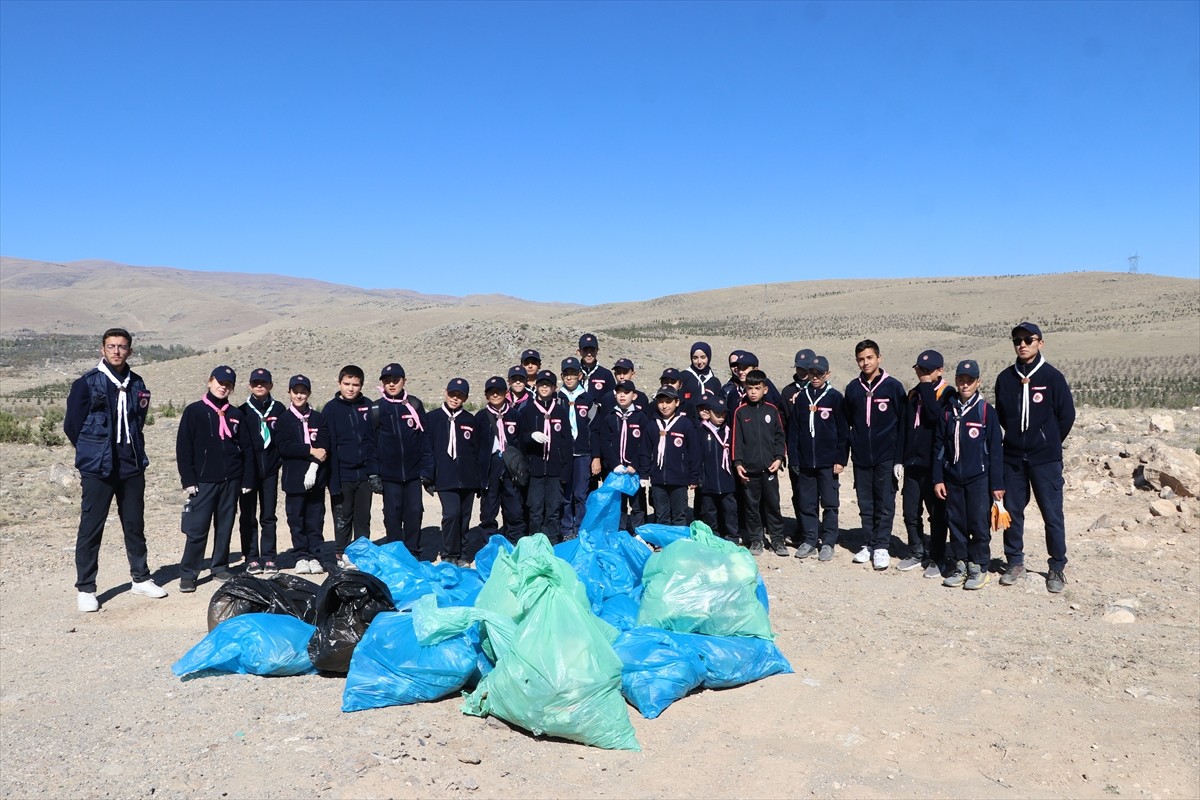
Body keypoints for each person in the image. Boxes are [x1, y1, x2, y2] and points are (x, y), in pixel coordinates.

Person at [63, 327, 164, 611]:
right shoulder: (87, 383)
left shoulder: (137, 383)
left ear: (129, 351)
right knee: (91, 527)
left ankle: (140, 578)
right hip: (98, 468)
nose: (116, 351)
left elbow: (138, 420)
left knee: (134, 524)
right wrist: (91, 451)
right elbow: (72, 425)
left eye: (122, 347)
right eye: (111, 346)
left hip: (131, 465)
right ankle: (86, 587)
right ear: (102, 350)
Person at [993, 322, 1076, 593]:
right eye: (1017, 340)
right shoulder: (1006, 378)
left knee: (1052, 513)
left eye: (1029, 339)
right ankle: (1015, 562)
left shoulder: (1052, 377)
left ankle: (1056, 567)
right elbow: (1003, 416)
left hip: (1045, 459)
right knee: (1013, 511)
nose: (1022, 344)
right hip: (1014, 457)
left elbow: (1066, 415)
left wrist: (1047, 440)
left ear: (1040, 342)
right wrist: (1018, 439)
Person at [175, 365, 255, 591]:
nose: (223, 387)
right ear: (210, 382)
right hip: (203, 480)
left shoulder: (236, 414)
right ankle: (189, 572)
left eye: (228, 384)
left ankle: (219, 565)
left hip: (231, 480)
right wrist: (188, 480)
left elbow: (246, 448)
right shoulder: (195, 411)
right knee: (197, 528)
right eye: (220, 382)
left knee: (225, 525)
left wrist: (247, 480)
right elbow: (184, 447)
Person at [934, 360, 1005, 590]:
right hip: (952, 477)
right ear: (956, 381)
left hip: (979, 479)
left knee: (978, 523)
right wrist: (938, 478)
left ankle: (979, 566)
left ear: (978, 382)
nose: (965, 385)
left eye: (970, 380)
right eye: (961, 380)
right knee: (956, 523)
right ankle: (961, 564)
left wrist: (997, 484)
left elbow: (995, 450)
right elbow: (938, 447)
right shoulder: (948, 411)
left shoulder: (986, 412)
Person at [842, 339, 907, 571]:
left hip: (886, 455)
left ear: (879, 358)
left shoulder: (893, 387)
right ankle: (869, 543)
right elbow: (847, 422)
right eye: (860, 359)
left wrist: (899, 459)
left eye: (869, 357)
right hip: (861, 457)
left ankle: (882, 546)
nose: (865, 362)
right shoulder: (853, 388)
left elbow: (903, 425)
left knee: (885, 502)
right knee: (865, 502)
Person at [898, 350, 956, 577]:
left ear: (940, 371)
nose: (922, 375)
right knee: (910, 512)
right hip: (912, 463)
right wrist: (899, 459)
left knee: (937, 514)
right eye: (919, 370)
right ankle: (915, 550)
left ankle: (937, 556)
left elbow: (934, 417)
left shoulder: (947, 393)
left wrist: (926, 388)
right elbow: (904, 427)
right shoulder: (913, 394)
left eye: (927, 371)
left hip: (934, 465)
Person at [786, 356, 847, 562]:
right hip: (805, 462)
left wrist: (841, 459)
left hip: (827, 462)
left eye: (819, 373)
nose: (814, 377)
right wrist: (794, 457)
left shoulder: (835, 398)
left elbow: (842, 432)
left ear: (827, 374)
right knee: (807, 503)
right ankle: (810, 539)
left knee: (830, 503)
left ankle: (828, 541)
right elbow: (794, 430)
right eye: (811, 373)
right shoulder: (802, 398)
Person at [324, 365, 380, 569]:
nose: (351, 388)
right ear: (339, 384)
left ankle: (362, 553)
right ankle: (341, 554)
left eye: (355, 385)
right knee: (342, 515)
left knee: (363, 517)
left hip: (364, 474)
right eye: (347, 384)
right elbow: (329, 444)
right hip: (342, 473)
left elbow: (373, 441)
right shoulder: (331, 409)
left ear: (361, 386)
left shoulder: (369, 406)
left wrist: (374, 471)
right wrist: (333, 479)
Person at [274, 374, 331, 574]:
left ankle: (315, 555)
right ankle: (301, 555)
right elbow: (284, 446)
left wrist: (314, 466)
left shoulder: (318, 418)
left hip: (316, 478)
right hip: (294, 479)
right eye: (296, 392)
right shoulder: (284, 420)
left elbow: (324, 445)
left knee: (315, 518)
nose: (299, 395)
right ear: (289, 393)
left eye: (303, 392)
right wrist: (309, 450)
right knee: (296, 519)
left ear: (308, 393)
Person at [373, 363, 432, 558]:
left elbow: (425, 439)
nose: (391, 384)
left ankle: (413, 552)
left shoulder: (414, 404)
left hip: (414, 474)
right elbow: (370, 443)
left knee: (414, 513)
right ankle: (395, 553)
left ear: (404, 381)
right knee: (392, 515)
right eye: (387, 381)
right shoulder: (377, 408)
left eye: (395, 380)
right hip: (389, 475)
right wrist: (374, 473)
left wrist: (427, 470)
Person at [425, 378, 486, 565]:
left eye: (460, 395)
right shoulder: (433, 418)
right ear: (446, 393)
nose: (455, 398)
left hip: (467, 478)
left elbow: (477, 450)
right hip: (445, 476)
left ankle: (463, 554)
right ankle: (449, 553)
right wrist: (428, 476)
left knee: (464, 516)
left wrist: (479, 480)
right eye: (452, 394)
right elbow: (427, 449)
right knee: (451, 514)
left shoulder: (470, 419)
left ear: (465, 398)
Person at [731, 369, 787, 556]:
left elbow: (780, 436)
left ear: (765, 389)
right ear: (745, 389)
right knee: (752, 506)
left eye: (757, 388)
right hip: (749, 470)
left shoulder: (772, 410)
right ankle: (756, 540)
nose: (753, 392)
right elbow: (736, 440)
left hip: (769, 469)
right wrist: (738, 462)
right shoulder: (740, 412)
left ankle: (778, 539)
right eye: (750, 388)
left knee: (773, 504)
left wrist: (779, 458)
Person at [237, 367, 286, 575]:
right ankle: (251, 557)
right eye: (256, 383)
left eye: (264, 383)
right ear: (250, 385)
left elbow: (284, 438)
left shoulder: (279, 409)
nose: (260, 386)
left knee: (269, 515)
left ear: (270, 385)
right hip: (248, 472)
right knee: (248, 515)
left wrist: (278, 461)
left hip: (270, 471)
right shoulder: (242, 411)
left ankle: (269, 557)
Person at [516, 370, 573, 542]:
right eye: (541, 384)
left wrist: (566, 470)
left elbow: (567, 442)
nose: (544, 387)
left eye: (548, 385)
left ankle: (552, 541)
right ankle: (535, 540)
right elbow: (520, 440)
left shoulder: (561, 411)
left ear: (555, 388)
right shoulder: (528, 411)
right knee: (535, 508)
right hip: (535, 469)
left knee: (554, 508)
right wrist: (530, 436)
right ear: (536, 387)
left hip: (555, 470)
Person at [592, 379, 653, 534]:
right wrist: (614, 464)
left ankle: (639, 533)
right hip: (616, 470)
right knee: (619, 503)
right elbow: (605, 442)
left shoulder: (641, 417)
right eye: (619, 393)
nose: (622, 396)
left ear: (634, 396)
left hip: (634, 470)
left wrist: (635, 464)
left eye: (626, 393)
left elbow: (644, 444)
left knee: (637, 503)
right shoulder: (610, 417)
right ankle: (620, 531)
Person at [476, 376, 526, 543]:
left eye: (498, 391)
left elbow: (520, 442)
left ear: (506, 393)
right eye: (491, 392)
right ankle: (489, 546)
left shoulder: (515, 415)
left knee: (513, 508)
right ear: (486, 395)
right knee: (489, 509)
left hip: (510, 467)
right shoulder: (481, 417)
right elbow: (475, 447)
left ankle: (514, 543)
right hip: (490, 465)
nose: (495, 395)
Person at [649, 386, 700, 526]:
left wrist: (693, 476)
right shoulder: (652, 424)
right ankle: (662, 543)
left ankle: (678, 543)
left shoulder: (685, 424)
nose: (664, 406)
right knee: (661, 513)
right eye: (660, 401)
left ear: (677, 402)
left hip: (679, 479)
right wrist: (644, 474)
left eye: (668, 401)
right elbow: (645, 451)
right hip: (658, 478)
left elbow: (694, 452)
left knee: (679, 514)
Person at [557, 357, 595, 539]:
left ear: (580, 375)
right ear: (562, 376)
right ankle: (566, 529)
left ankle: (580, 528)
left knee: (580, 493)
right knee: (565, 494)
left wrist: (595, 456)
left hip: (582, 453)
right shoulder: (558, 398)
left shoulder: (588, 399)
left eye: (573, 374)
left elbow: (595, 429)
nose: (570, 378)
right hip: (563, 455)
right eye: (566, 374)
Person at [693, 395, 738, 541]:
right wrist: (698, 477)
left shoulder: (729, 431)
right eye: (717, 413)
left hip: (727, 480)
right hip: (707, 480)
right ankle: (713, 537)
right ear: (708, 413)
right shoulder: (700, 431)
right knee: (709, 511)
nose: (721, 417)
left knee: (729, 510)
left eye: (723, 413)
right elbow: (696, 456)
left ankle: (732, 536)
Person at [679, 341, 723, 415]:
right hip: (687, 421)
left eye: (703, 357)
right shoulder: (683, 377)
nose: (699, 361)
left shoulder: (714, 381)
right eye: (695, 358)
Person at [577, 333, 616, 397]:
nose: (589, 354)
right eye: (585, 350)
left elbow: (612, 398)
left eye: (592, 350)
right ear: (579, 352)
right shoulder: (574, 372)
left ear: (597, 351)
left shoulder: (606, 374)